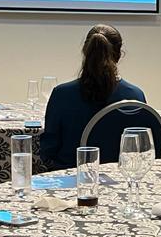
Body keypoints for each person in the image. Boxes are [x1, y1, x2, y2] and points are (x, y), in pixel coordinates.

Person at [40, 24, 145, 170]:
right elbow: (142, 147)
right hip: (121, 176)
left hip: (72, 176)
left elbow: (48, 150)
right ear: (119, 54)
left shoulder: (61, 94)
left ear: (85, 51)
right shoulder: (135, 96)